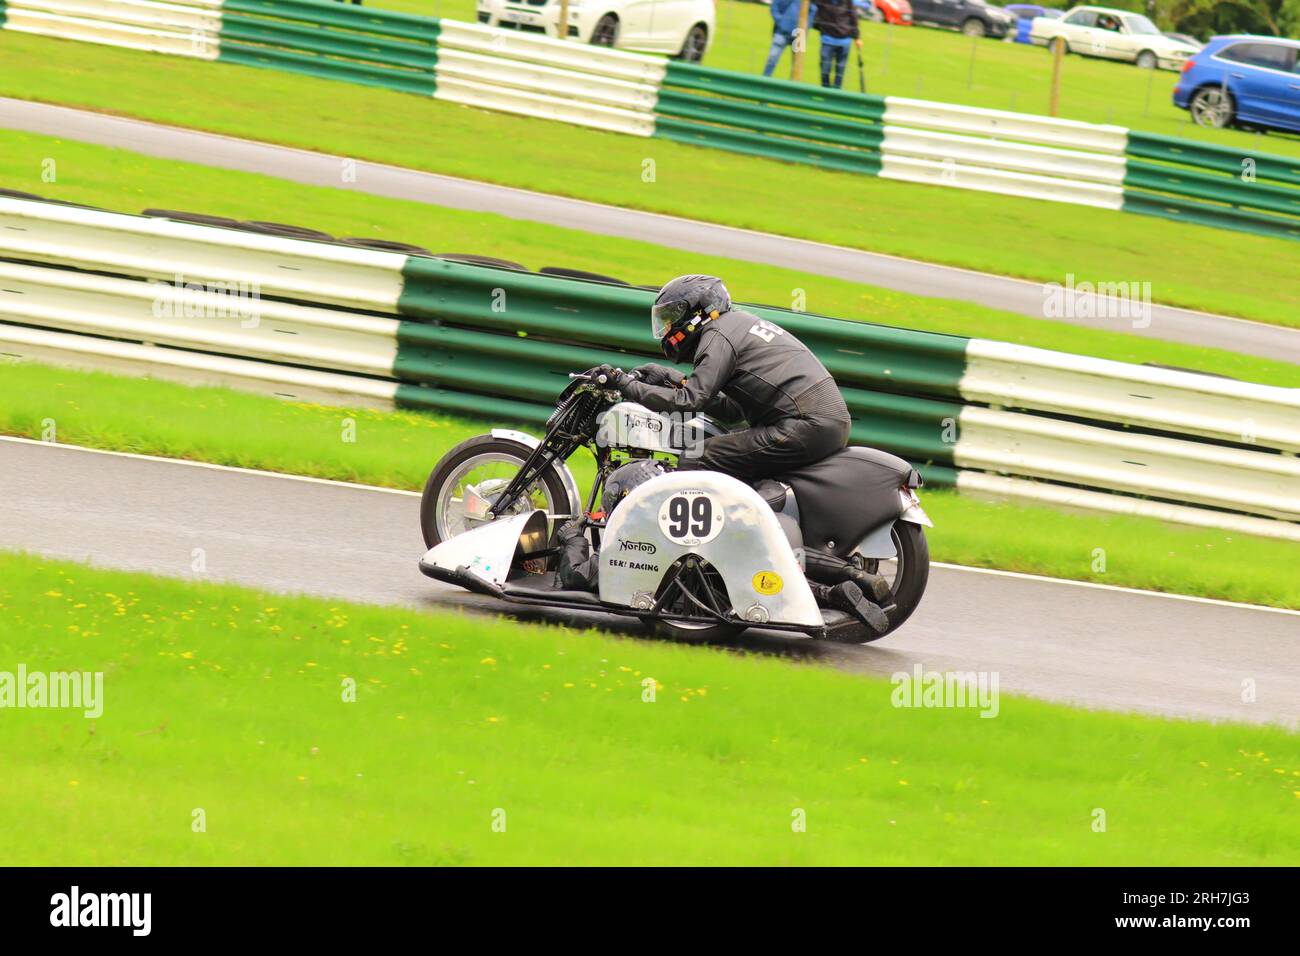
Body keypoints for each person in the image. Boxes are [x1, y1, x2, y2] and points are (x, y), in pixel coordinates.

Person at [586, 275, 891, 633]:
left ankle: (693, 573)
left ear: (698, 313)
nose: (668, 328)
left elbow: (690, 402)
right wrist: (670, 377)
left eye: (673, 317)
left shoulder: (717, 336)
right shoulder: (734, 328)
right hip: (820, 422)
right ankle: (832, 575)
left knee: (697, 459)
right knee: (728, 470)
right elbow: (730, 409)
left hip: (804, 424)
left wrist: (627, 386)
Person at [812, 0, 860, 89]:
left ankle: (836, 92)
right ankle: (826, 91)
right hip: (827, 39)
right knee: (825, 68)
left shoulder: (848, 2)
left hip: (844, 40)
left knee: (840, 71)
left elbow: (854, 17)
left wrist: (857, 37)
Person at [763, 0, 817, 77]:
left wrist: (805, 27)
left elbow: (812, 14)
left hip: (800, 36)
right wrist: (781, 22)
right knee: (772, 59)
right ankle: (765, 81)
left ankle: (794, 86)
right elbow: (774, 7)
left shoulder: (811, 3)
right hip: (782, 32)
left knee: (797, 65)